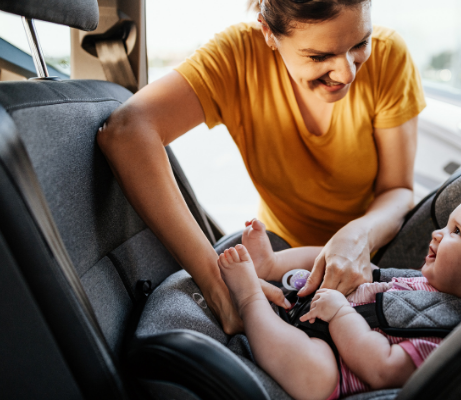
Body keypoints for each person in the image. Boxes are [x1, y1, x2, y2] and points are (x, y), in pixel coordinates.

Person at [97, 0, 425, 334]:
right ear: (269, 32)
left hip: (374, 251)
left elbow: (397, 190)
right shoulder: (238, 56)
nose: (347, 73)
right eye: (318, 56)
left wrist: (358, 235)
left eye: (359, 44)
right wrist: (218, 287)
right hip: (281, 250)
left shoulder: (389, 56)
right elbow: (126, 133)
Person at [217, 193, 461, 400]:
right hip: (327, 304)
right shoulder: (427, 284)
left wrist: (340, 315)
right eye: (447, 225)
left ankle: (248, 300)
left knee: (315, 377)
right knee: (346, 259)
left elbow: (382, 369)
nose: (437, 234)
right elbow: (376, 285)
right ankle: (271, 265)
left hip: (337, 363)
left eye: (456, 233)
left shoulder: (449, 336)